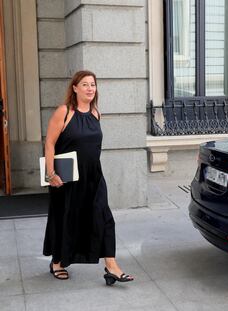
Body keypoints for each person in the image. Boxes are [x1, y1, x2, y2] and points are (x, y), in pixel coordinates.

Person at [42, 70, 133, 285]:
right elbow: (49, 144)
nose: (90, 88)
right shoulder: (64, 112)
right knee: (66, 218)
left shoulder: (95, 113)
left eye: (93, 84)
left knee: (104, 217)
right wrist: (51, 173)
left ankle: (111, 265)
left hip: (94, 177)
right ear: (75, 88)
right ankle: (57, 262)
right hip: (66, 178)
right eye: (85, 84)